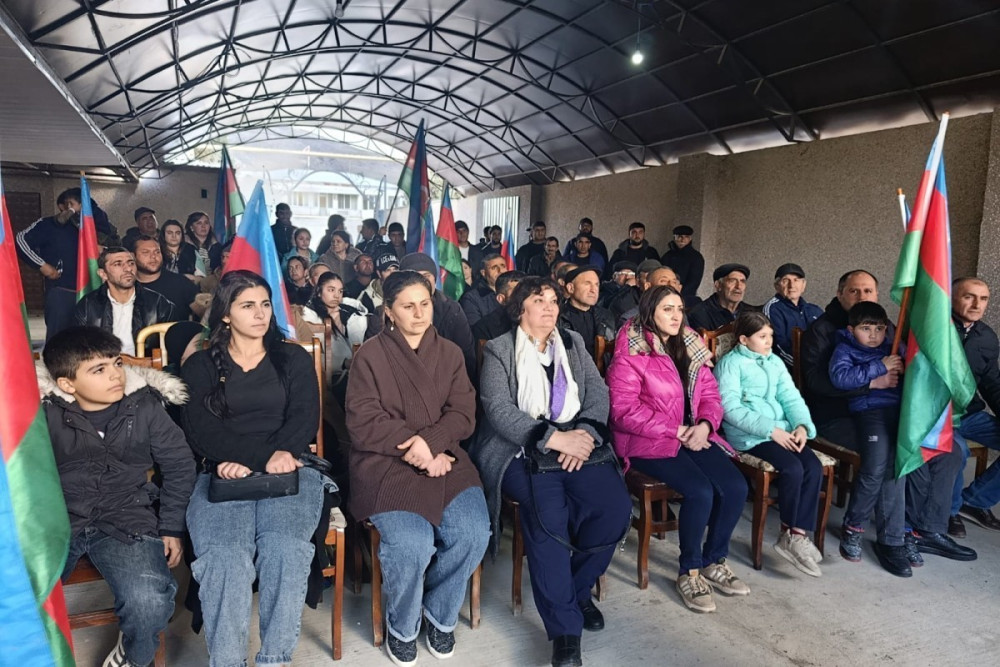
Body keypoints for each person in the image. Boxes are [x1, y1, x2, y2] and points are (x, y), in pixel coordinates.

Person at [469, 276, 631, 667]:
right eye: (538, 300)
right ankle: (565, 633)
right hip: (520, 449)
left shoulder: (572, 342)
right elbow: (498, 409)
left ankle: (574, 593)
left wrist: (585, 435)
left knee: (615, 511)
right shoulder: (500, 349)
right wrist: (554, 439)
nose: (549, 307)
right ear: (519, 309)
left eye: (553, 300)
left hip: (579, 444)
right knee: (548, 522)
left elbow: (598, 393)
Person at [346, 270, 489, 666]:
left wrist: (433, 443)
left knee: (473, 532)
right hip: (385, 463)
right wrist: (420, 447)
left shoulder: (450, 354)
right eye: (408, 306)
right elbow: (363, 420)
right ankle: (403, 624)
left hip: (446, 459)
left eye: (425, 304)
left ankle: (439, 614)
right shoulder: (369, 356)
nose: (419, 313)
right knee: (411, 544)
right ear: (389, 312)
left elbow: (463, 412)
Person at [181, 270, 324, 666]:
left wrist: (280, 454)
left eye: (265, 304)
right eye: (248, 306)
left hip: (290, 468)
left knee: (285, 551)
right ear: (226, 314)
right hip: (222, 472)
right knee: (225, 559)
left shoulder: (292, 357)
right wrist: (253, 459)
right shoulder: (200, 365)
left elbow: (304, 417)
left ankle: (275, 659)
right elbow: (200, 430)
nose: (261, 314)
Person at [41, 326, 195, 667]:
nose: (115, 375)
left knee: (150, 602)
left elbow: (179, 464)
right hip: (58, 520)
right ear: (67, 383)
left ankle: (132, 656)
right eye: (99, 370)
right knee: (21, 596)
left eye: (117, 363)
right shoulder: (45, 412)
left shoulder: (144, 406)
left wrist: (172, 527)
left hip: (126, 515)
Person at [606, 285, 749, 614]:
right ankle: (690, 571)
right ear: (649, 312)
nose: (676, 316)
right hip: (648, 440)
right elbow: (623, 411)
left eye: (680, 309)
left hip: (693, 434)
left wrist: (706, 426)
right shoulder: (632, 349)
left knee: (735, 487)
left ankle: (714, 560)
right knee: (700, 491)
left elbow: (710, 394)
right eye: (667, 309)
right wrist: (676, 430)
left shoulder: (690, 344)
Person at [714, 312, 823, 577]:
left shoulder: (774, 361)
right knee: (792, 468)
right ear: (743, 339)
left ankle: (796, 534)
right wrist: (770, 430)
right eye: (762, 336)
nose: (769, 341)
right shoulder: (730, 364)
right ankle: (788, 531)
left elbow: (791, 397)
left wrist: (801, 426)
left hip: (781, 431)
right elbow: (730, 408)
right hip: (749, 435)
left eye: (770, 335)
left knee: (813, 466)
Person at [828, 301, 913, 576]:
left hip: (900, 411)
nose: (874, 335)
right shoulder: (845, 349)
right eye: (866, 329)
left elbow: (913, 368)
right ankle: (853, 527)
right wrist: (879, 367)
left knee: (902, 465)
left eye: (879, 328)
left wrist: (905, 366)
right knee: (875, 467)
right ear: (851, 330)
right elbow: (841, 378)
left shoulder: (893, 346)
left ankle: (902, 533)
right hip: (870, 412)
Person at [15, 187, 119, 340]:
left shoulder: (99, 227)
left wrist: (103, 249)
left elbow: (118, 252)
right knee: (59, 340)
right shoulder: (49, 224)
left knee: (93, 340)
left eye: (82, 204)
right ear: (63, 206)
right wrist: (42, 265)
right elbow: (20, 240)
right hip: (63, 292)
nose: (77, 209)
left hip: (95, 291)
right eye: (71, 204)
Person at [368, 253, 477, 380]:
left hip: (445, 381)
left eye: (426, 276)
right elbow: (373, 362)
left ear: (435, 279)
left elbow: (467, 357)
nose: (421, 282)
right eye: (415, 276)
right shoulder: (383, 312)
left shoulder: (452, 310)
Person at [951, 278, 1000, 533]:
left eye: (983, 299)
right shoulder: (932, 328)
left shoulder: (987, 337)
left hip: (969, 415)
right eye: (969, 297)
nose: (976, 304)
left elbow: (992, 383)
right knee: (958, 452)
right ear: (951, 297)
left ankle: (973, 502)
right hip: (936, 416)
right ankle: (948, 511)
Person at [75, 247, 174, 355]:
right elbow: (78, 349)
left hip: (146, 364)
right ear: (103, 274)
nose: (128, 268)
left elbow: (171, 351)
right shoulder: (87, 304)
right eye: (118, 264)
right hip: (105, 364)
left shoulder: (159, 303)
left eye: (131, 263)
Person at [294, 271, 369, 408]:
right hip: (326, 380)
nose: (336, 295)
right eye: (331, 290)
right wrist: (343, 363)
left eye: (340, 291)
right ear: (318, 292)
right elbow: (310, 355)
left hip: (352, 373)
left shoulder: (348, 313)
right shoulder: (308, 316)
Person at [762, 263, 823, 368]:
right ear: (777, 286)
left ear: (803, 285)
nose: (792, 285)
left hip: (817, 366)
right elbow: (777, 346)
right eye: (786, 280)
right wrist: (802, 367)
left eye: (796, 280)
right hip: (787, 370)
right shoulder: (772, 309)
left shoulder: (815, 310)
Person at [134, 235, 204, 321]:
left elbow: (206, 314)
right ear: (133, 256)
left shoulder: (180, 283)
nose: (153, 256)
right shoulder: (127, 288)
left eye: (157, 252)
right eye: (146, 252)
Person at [559, 266, 616, 361]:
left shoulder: (606, 316)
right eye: (587, 284)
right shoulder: (557, 317)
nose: (593, 290)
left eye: (596, 285)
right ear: (570, 288)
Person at [687, 263, 757, 332]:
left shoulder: (751, 313)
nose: (738, 286)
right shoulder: (699, 313)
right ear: (718, 285)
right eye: (732, 281)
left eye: (742, 281)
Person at [471, 270, 525, 342]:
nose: (524, 297)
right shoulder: (484, 328)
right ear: (501, 299)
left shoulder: (537, 317)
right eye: (517, 292)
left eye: (527, 292)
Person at [460, 253, 507, 327]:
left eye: (503, 266)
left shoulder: (515, 292)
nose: (500, 271)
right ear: (483, 273)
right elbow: (475, 328)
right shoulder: (472, 298)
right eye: (494, 268)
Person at [660, 225, 704, 301]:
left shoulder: (696, 257)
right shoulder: (667, 256)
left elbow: (694, 282)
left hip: (686, 298)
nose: (682, 240)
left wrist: (679, 295)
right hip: (665, 295)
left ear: (690, 238)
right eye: (679, 236)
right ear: (674, 238)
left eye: (686, 237)